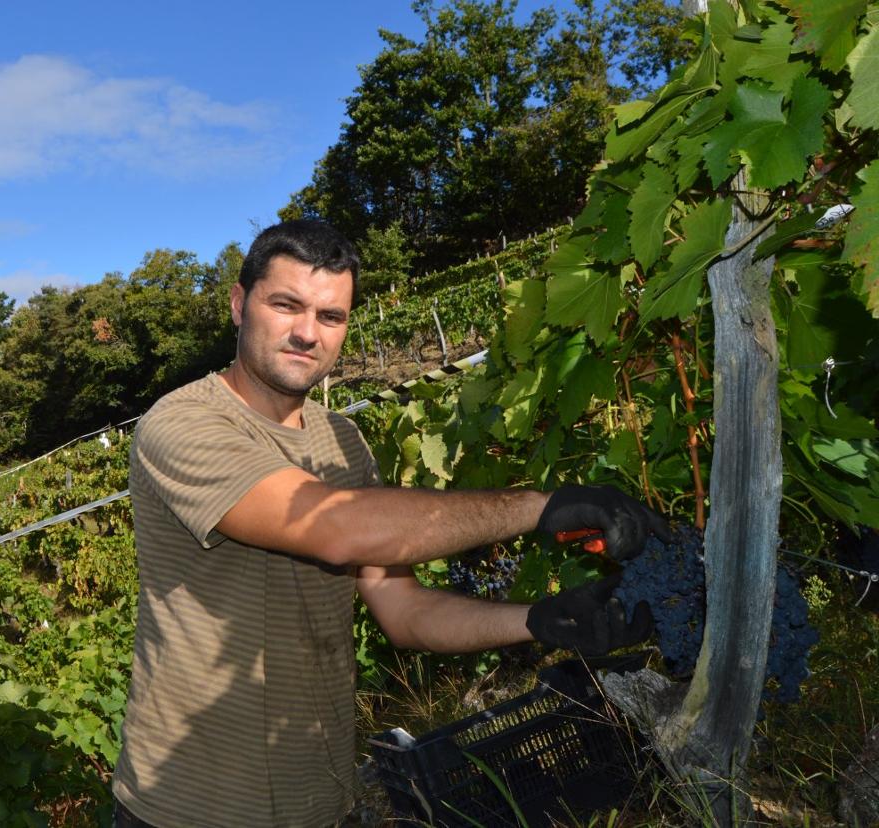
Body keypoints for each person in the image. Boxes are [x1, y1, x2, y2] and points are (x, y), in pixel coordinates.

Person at [111, 220, 668, 828]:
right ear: (240, 305)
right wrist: (541, 506)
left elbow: (401, 610)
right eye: (286, 305)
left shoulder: (342, 442)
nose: (307, 332)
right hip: (191, 806)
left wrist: (536, 620)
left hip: (324, 799)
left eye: (331, 316)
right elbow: (336, 528)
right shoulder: (184, 424)